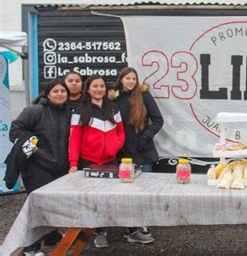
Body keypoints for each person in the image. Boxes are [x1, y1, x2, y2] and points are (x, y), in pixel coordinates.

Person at [9, 79, 71, 256]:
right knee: (36, 208)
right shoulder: (34, 111)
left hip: (58, 167)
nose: (59, 94)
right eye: (56, 91)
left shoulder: (68, 112)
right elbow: (15, 131)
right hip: (37, 168)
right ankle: (30, 248)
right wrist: (33, 150)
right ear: (47, 93)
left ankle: (51, 237)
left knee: (53, 204)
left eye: (62, 91)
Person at [68, 75, 125, 248]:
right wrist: (73, 164)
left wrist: (114, 147)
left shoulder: (113, 108)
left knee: (106, 198)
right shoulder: (80, 110)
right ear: (88, 89)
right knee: (88, 199)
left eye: (101, 86)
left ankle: (102, 231)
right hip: (88, 162)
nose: (99, 89)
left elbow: (121, 133)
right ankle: (84, 231)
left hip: (110, 161)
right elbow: (74, 138)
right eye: (95, 86)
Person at [109, 67, 164, 244]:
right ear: (121, 80)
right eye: (128, 78)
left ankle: (143, 224)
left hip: (144, 151)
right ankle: (130, 227)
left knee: (144, 190)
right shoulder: (114, 98)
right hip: (123, 153)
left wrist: (145, 137)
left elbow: (158, 120)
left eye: (134, 78)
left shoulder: (144, 96)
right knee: (126, 190)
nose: (131, 81)